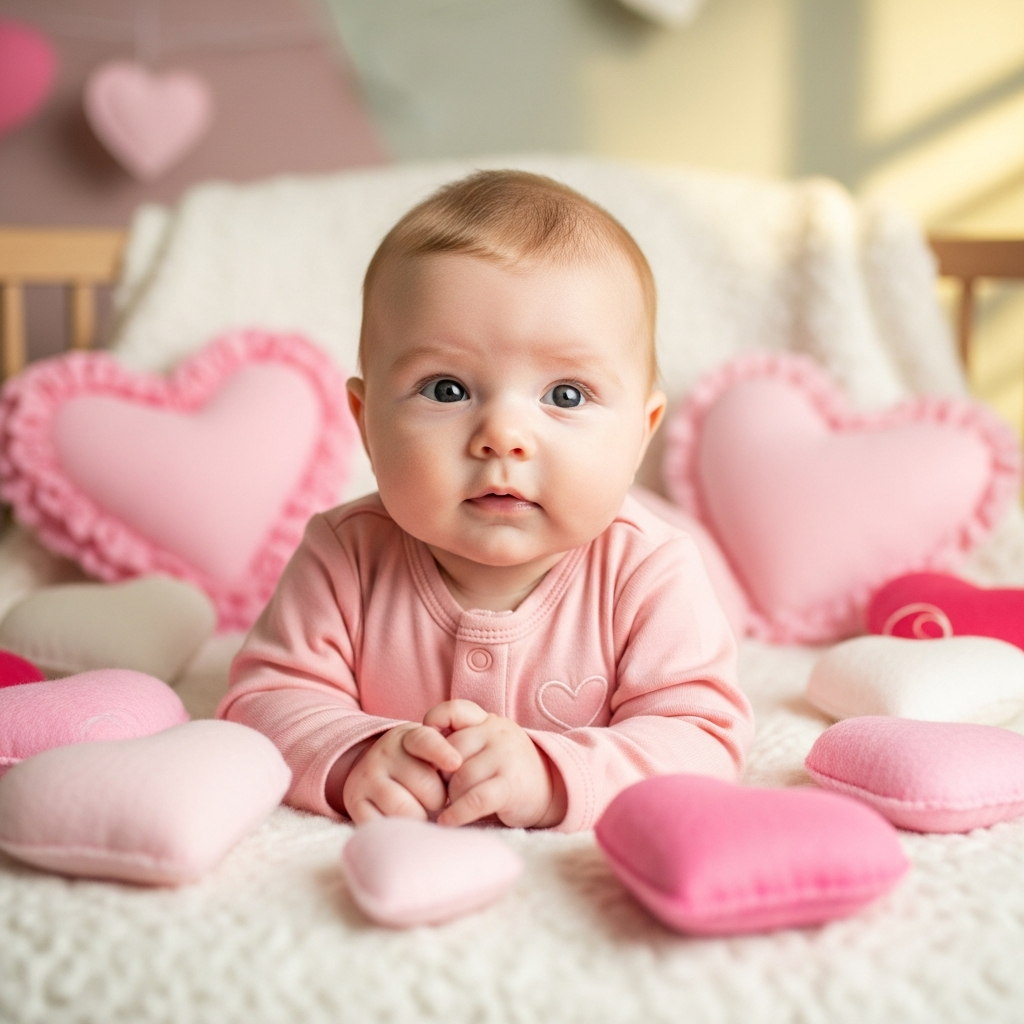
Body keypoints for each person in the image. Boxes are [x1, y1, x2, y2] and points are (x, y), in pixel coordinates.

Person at [218, 169, 754, 832]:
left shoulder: (649, 570)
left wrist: (552, 775)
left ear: (640, 434)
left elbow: (702, 739)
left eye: (565, 395)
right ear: (366, 421)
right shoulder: (343, 556)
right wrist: (354, 755)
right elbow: (263, 703)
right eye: (446, 389)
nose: (502, 435)